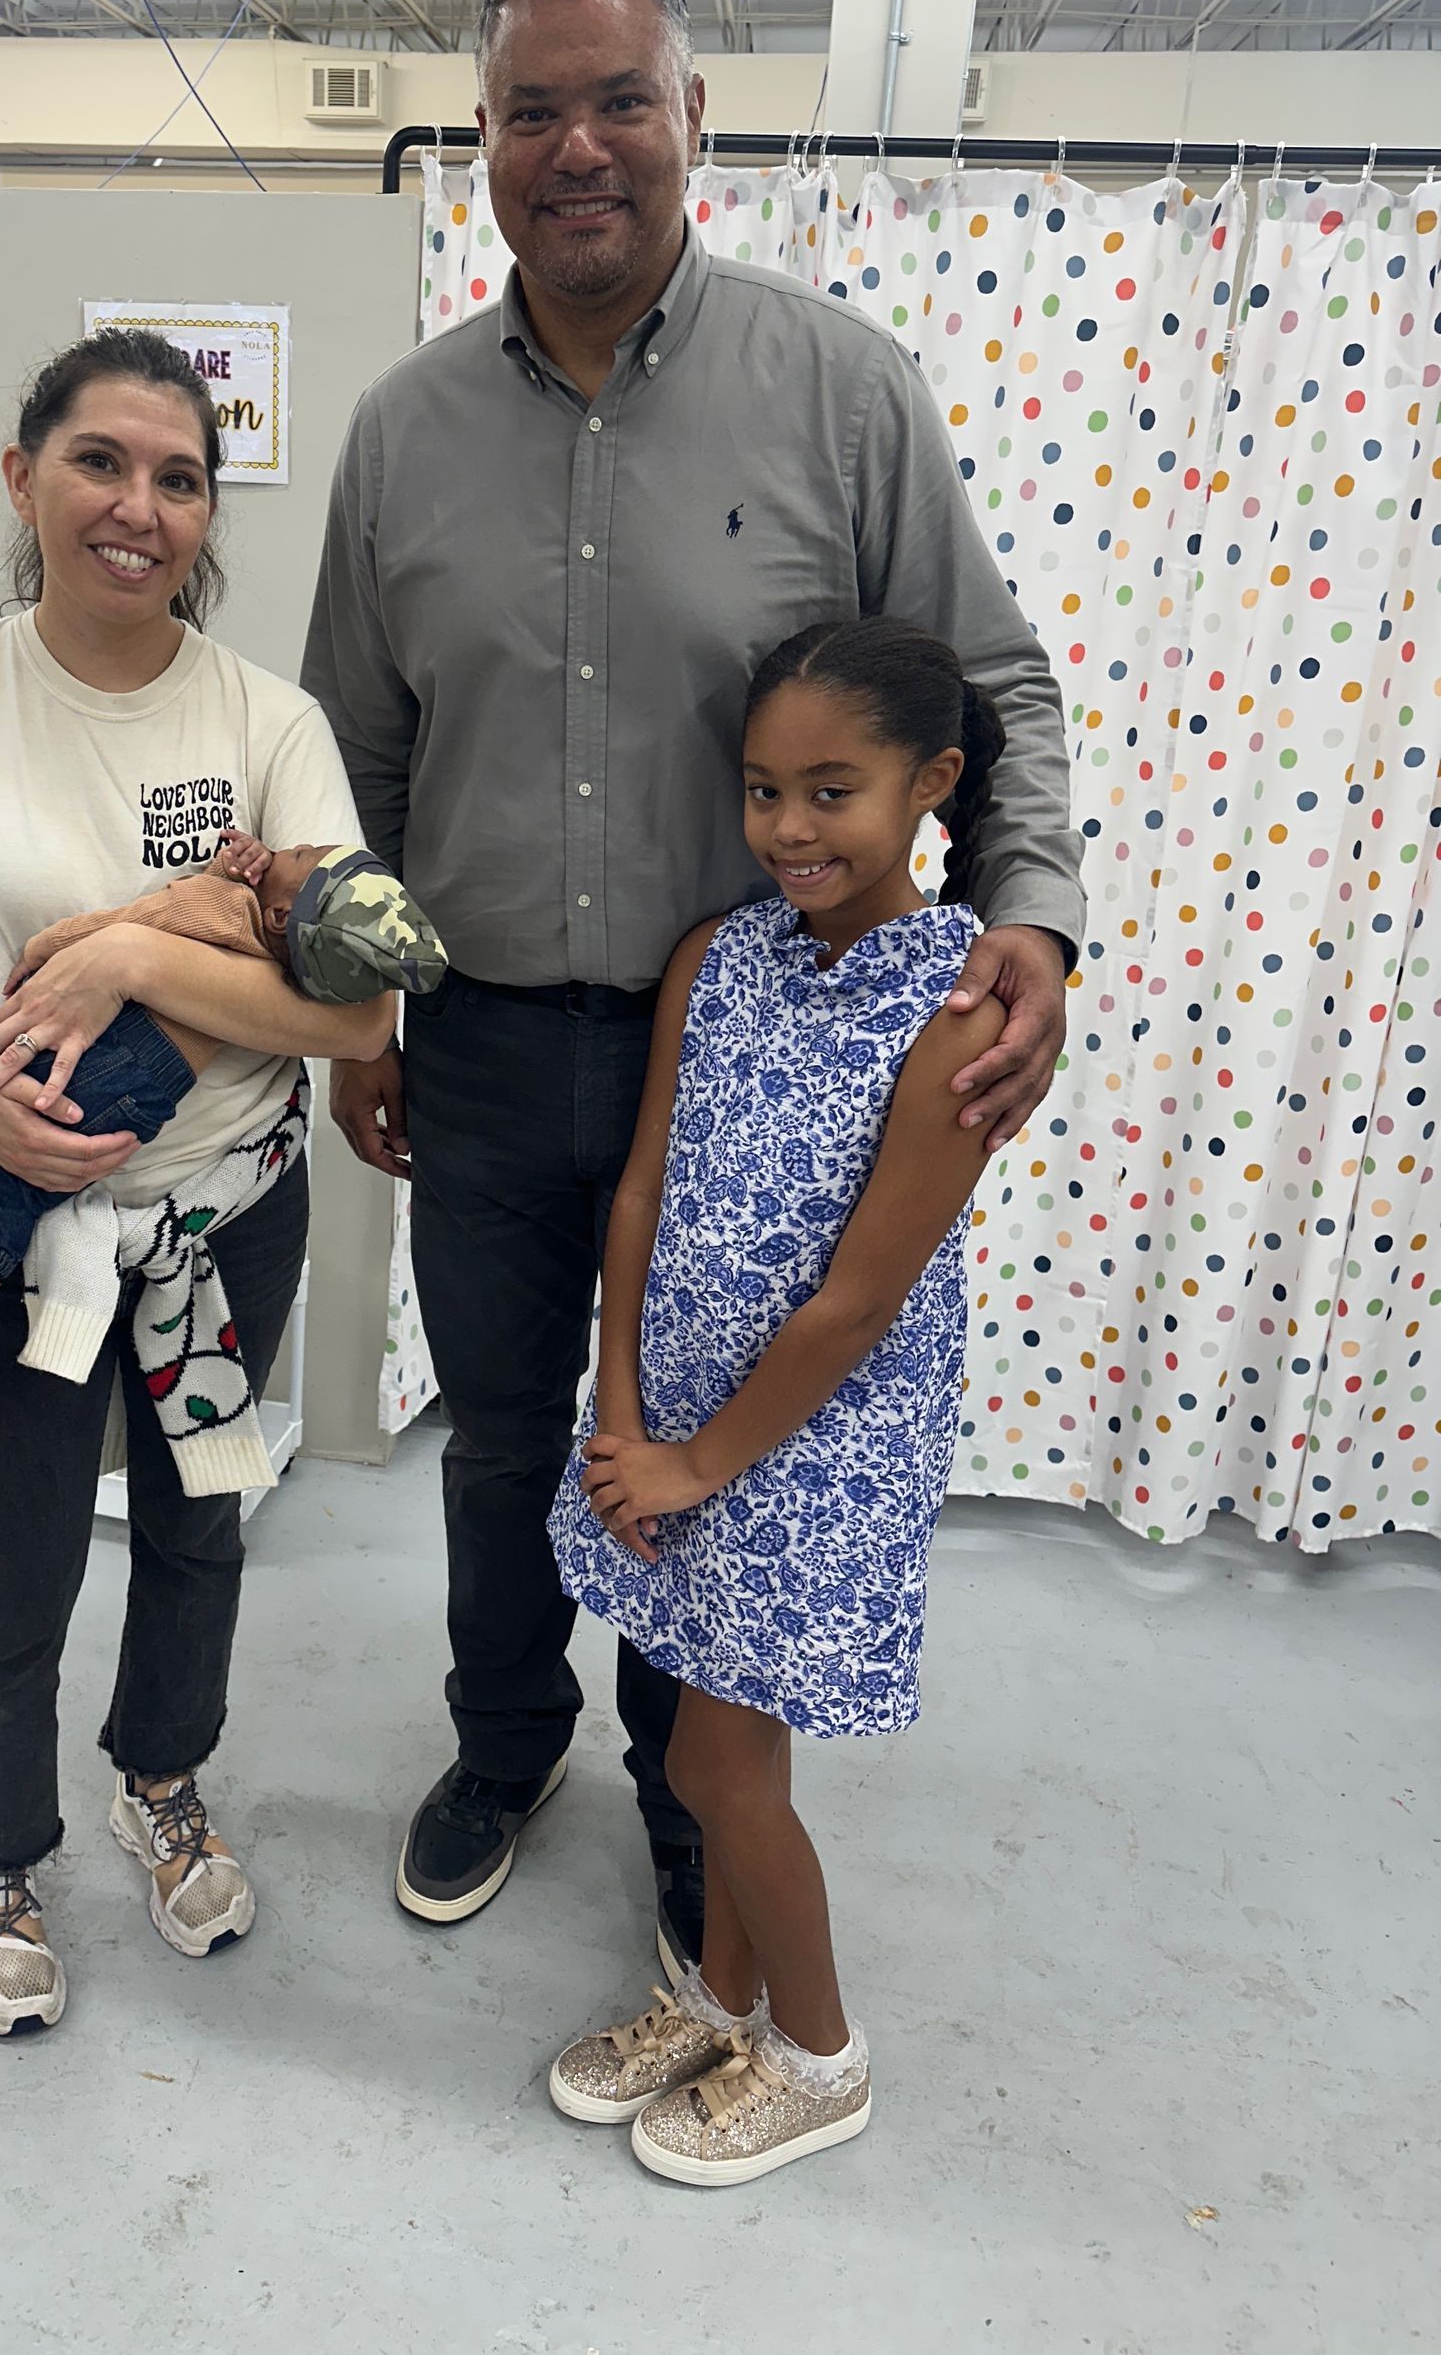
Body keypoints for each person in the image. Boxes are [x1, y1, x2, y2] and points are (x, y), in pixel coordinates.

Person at [302, 0, 1087, 1974]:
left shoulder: (842, 392)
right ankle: (503, 1741)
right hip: (473, 1051)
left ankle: (687, 1791)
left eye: (617, 100)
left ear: (691, 122)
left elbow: (988, 680)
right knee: (495, 1438)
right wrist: (358, 1014)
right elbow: (354, 761)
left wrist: (1037, 921)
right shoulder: (397, 437)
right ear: (479, 139)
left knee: (701, 1456)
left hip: (749, 1077)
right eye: (531, 109)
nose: (579, 145)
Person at [0, 329, 393, 2038]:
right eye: (101, 463)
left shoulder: (269, 727)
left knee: (204, 1527)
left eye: (180, 477)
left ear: (210, 510)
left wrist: (126, 956)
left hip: (220, 1220)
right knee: (24, 1557)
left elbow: (355, 1006)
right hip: (14, 1227)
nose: (140, 506)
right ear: (23, 480)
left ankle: (162, 1782)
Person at [542, 617, 1009, 2186]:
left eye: (835, 791)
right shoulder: (718, 957)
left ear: (932, 784)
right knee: (714, 1743)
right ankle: (715, 1997)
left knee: (712, 1765)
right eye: (763, 792)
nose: (793, 830)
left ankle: (819, 2053)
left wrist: (703, 1464)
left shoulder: (960, 1010)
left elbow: (860, 1295)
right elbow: (642, 1192)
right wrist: (621, 1413)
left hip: (809, 1451)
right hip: (667, 1426)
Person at [0, 832, 446, 1338]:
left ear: (277, 914)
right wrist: (253, 860)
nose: (291, 845)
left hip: (110, 1053)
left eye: (299, 854)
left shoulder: (218, 906)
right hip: (161, 1086)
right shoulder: (295, 974)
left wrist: (43, 949)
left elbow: (130, 923)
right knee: (28, 1179)